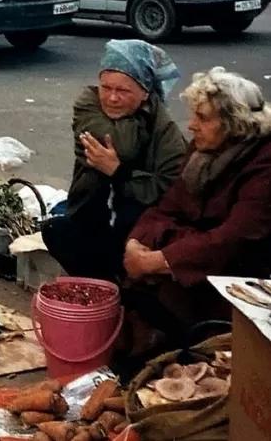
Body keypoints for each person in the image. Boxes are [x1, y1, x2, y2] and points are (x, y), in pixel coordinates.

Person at [122, 67, 271, 347]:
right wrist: (135, 242)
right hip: (192, 253)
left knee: (160, 293)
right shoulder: (203, 153)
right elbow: (166, 206)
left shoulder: (263, 162)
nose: (191, 125)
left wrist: (159, 260)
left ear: (233, 123)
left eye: (202, 118)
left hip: (234, 273)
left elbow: (234, 238)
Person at [42, 40, 187, 282]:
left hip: (139, 230)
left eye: (123, 91)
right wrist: (137, 118)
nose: (111, 98)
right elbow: (124, 146)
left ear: (145, 93)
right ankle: (106, 286)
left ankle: (122, 290)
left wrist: (118, 172)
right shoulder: (87, 103)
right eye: (106, 87)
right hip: (92, 215)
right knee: (57, 231)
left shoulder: (166, 132)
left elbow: (168, 189)